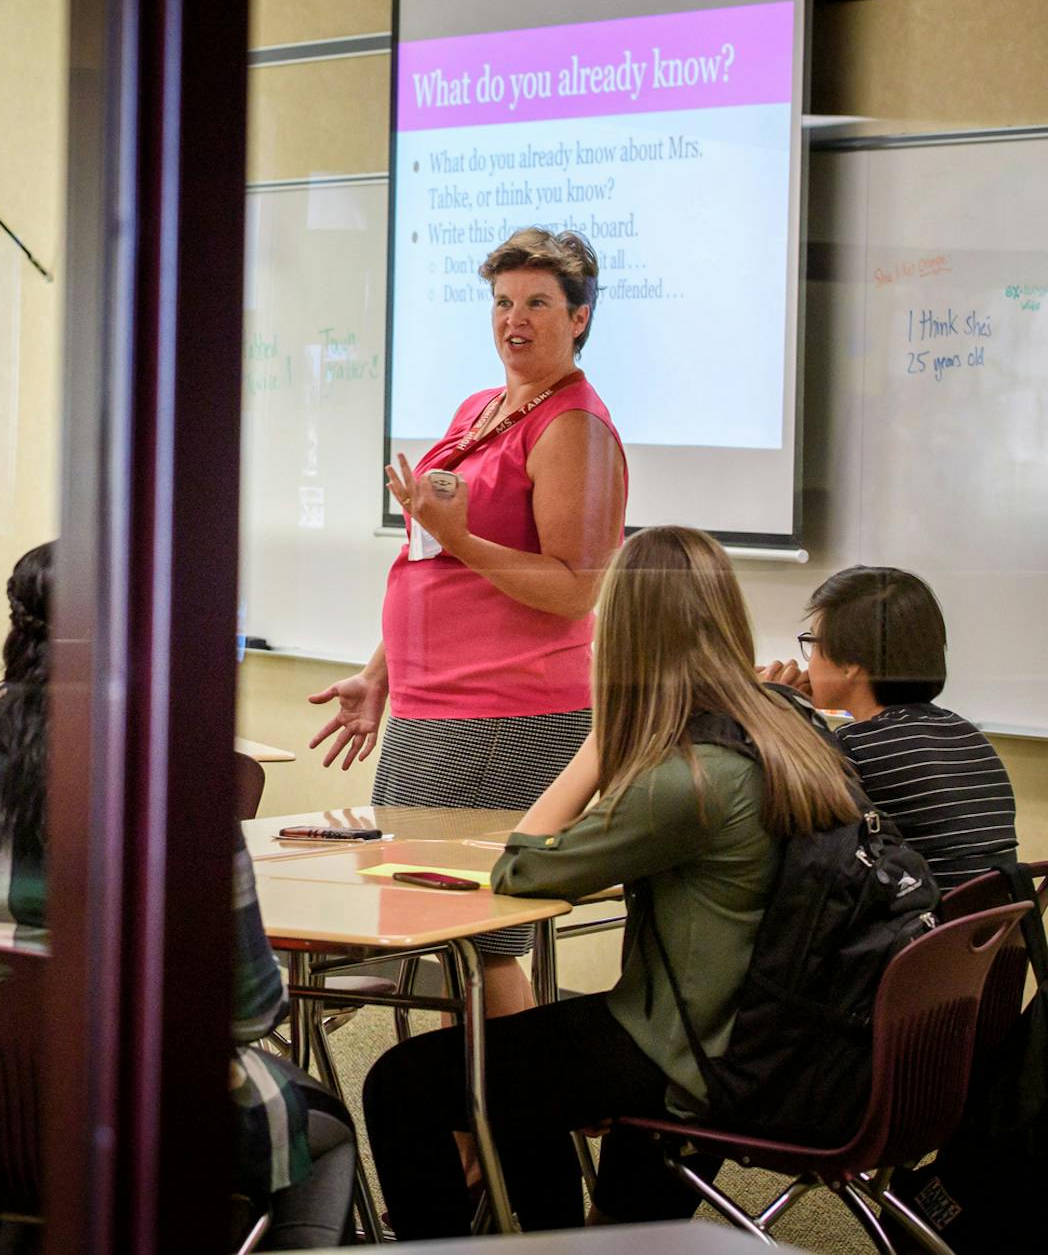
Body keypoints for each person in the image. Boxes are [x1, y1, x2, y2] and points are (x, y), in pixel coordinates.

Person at [363, 526, 860, 1236]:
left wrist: (598, 741)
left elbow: (522, 865)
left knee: (400, 1083)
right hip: (764, 1031)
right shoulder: (791, 730)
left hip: (684, 1047)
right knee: (523, 1062)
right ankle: (549, 1236)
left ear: (626, 637)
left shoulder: (689, 776)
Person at [0, 543, 357, 1249]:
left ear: (17, 628)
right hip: (146, 1128)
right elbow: (250, 1007)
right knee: (325, 1137)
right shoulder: (177, 782)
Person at [306, 226, 627, 1014]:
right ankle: (460, 1118)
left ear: (579, 318)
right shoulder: (479, 409)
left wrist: (461, 537)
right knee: (424, 919)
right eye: (502, 301)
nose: (514, 318)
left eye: (538, 303)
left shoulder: (575, 428)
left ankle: (492, 1122)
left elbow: (574, 588)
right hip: (434, 705)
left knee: (470, 931)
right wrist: (382, 671)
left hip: (506, 711)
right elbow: (432, 561)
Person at [759, 566, 1018, 887]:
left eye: (813, 642)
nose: (807, 661)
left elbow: (788, 834)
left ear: (851, 663)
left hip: (921, 932)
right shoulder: (970, 737)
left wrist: (767, 709)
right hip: (990, 932)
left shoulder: (855, 749)